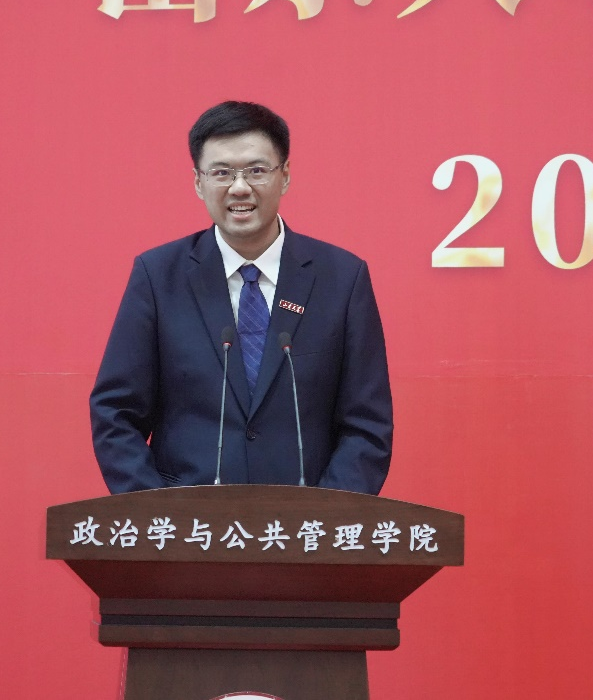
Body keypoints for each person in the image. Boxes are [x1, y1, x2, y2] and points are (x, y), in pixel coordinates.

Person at [90, 101, 393, 494]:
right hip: (188, 519)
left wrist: (327, 516)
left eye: (256, 171)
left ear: (285, 176)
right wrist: (158, 514)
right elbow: (116, 412)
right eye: (221, 173)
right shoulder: (158, 275)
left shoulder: (342, 278)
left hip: (306, 519)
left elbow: (366, 424)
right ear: (198, 182)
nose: (239, 187)